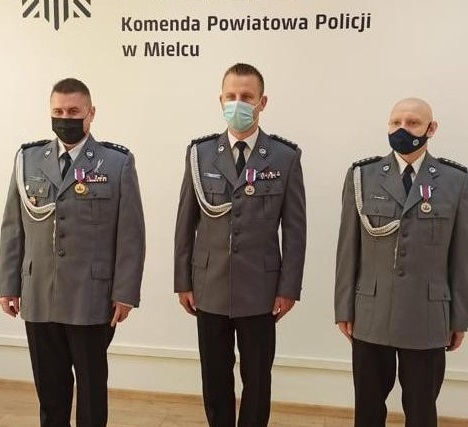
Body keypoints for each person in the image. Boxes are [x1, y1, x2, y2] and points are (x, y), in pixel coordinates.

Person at [0, 78, 145, 427]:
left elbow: (131, 235)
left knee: (92, 392)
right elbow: (13, 227)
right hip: (40, 294)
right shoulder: (28, 159)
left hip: (91, 298)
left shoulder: (116, 163)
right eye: (59, 112)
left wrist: (125, 293)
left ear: (90, 113)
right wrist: (8, 284)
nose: (65, 118)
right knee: (50, 392)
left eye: (73, 111)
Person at [174, 63, 306, 427]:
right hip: (209, 285)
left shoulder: (285, 157)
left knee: (257, 378)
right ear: (220, 100)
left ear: (262, 102)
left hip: (261, 290)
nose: (238, 103)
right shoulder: (199, 154)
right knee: (215, 377)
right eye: (231, 96)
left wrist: (288, 288)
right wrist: (183, 281)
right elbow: (185, 222)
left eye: (246, 97)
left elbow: (295, 230)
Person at [335, 97, 468, 427]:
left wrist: (459, 317)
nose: (402, 129)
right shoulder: (362, 176)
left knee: (422, 409)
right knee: (368, 409)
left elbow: (461, 255)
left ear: (430, 129)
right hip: (372, 311)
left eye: (412, 123)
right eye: (396, 122)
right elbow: (348, 248)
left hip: (428, 316)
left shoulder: (456, 181)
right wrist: (344, 308)